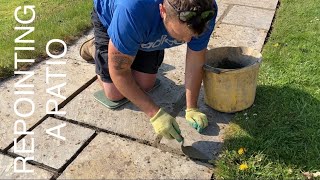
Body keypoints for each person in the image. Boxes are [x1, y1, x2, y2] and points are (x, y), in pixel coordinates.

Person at [80, 0, 218, 142]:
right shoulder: (131, 10)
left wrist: (192, 107)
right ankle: (99, 46)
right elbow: (119, 72)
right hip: (115, 19)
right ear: (162, 11)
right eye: (180, 35)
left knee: (145, 85)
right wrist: (155, 114)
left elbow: (196, 60)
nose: (188, 39)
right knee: (114, 93)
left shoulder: (206, 10)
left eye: (193, 35)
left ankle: (129, 45)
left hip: (143, 28)